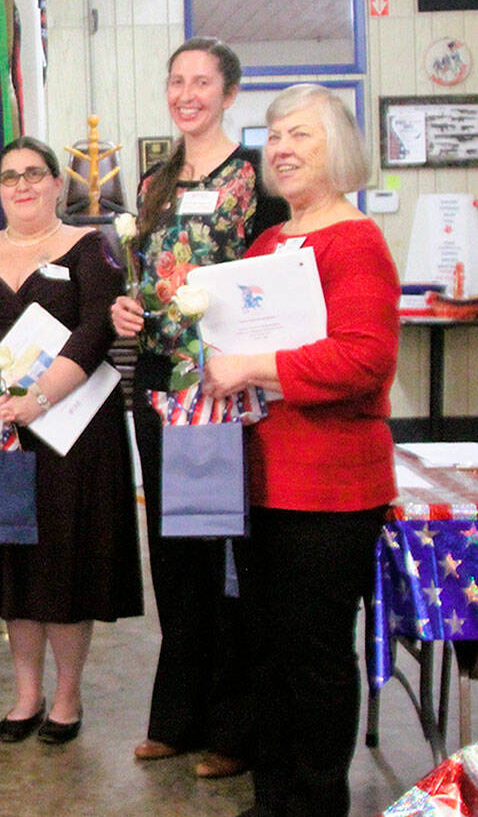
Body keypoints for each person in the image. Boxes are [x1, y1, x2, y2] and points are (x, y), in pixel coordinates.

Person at [202, 84, 397, 817]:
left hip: (331, 488)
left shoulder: (356, 242)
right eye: (275, 135)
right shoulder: (268, 244)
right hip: (260, 480)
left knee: (313, 659)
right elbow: (226, 347)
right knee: (267, 652)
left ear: (337, 146)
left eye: (301, 135)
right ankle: (272, 800)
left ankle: (314, 805)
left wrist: (252, 367)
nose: (282, 148)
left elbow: (364, 359)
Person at [110, 37, 287, 778]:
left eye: (202, 82)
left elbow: (274, 280)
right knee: (175, 551)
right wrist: (125, 308)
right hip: (160, 386)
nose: (187, 94)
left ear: (229, 93)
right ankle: (176, 718)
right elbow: (145, 275)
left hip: (224, 387)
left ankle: (235, 730)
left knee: (228, 557)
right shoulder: (153, 181)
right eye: (176, 81)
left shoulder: (256, 177)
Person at [0, 137, 141, 745]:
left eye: (34, 174)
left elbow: (97, 331)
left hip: (71, 432)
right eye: (9, 176)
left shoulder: (90, 248)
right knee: (13, 562)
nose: (21, 185)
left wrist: (38, 399)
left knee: (63, 564)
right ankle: (26, 694)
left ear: (55, 183)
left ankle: (68, 696)